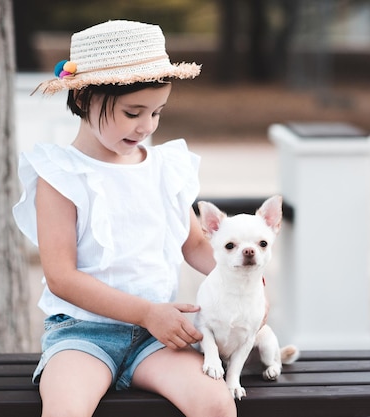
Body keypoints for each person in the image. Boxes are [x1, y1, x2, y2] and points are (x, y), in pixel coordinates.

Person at [13, 20, 236, 417]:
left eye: (157, 112)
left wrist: (243, 278)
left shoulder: (164, 168)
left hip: (158, 336)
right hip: (83, 334)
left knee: (215, 403)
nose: (147, 126)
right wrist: (146, 312)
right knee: (65, 409)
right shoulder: (61, 174)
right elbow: (62, 277)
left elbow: (197, 243)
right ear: (84, 99)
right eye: (133, 112)